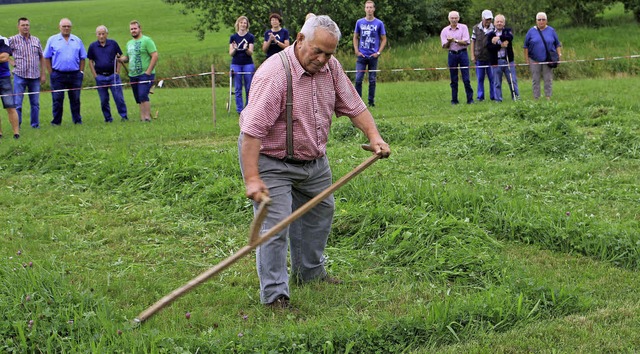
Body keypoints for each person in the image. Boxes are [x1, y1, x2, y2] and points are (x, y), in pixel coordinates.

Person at [238, 15, 390, 309]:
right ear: (299, 39)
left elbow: (354, 104)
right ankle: (275, 295)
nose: (322, 59)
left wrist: (374, 135)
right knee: (275, 225)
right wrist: (253, 179)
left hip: (313, 160)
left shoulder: (330, 68)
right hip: (271, 159)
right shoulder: (275, 75)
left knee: (321, 211)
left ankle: (309, 274)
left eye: (329, 53)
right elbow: (251, 133)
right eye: (317, 51)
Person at [44, 18, 87, 125]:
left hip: (75, 75)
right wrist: (51, 73)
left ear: (71, 28)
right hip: (58, 75)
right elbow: (46, 57)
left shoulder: (77, 40)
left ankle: (77, 120)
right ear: (59, 27)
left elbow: (82, 57)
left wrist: (81, 72)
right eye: (64, 26)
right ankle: (56, 122)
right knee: (57, 99)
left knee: (75, 99)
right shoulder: (52, 40)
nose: (66, 28)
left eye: (68, 26)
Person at [9, 17, 46, 129]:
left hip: (34, 76)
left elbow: (42, 57)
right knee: (18, 103)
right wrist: (11, 61)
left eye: (27, 25)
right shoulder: (12, 40)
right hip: (19, 75)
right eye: (23, 25)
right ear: (18, 26)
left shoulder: (36, 40)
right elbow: (3, 53)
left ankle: (35, 125)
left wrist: (43, 74)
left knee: (35, 104)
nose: (25, 27)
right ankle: (17, 126)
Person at [118, 20, 158, 122]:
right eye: (131, 29)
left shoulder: (147, 40)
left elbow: (155, 56)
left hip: (145, 74)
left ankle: (147, 118)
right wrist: (121, 59)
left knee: (143, 95)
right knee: (138, 98)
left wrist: (148, 71)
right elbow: (127, 58)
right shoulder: (129, 43)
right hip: (133, 74)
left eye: (135, 28)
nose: (133, 31)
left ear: (140, 28)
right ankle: (142, 118)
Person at [87, 25, 128, 123]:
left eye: (103, 34)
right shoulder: (92, 46)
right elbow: (90, 62)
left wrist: (117, 72)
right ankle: (108, 118)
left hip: (113, 76)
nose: (101, 36)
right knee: (104, 100)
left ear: (106, 34)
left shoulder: (113, 44)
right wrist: (95, 76)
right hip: (100, 77)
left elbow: (119, 58)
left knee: (119, 98)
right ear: (96, 35)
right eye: (99, 34)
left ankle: (124, 116)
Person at [353, 0, 387, 107]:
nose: (369, 9)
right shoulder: (359, 22)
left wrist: (378, 52)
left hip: (373, 56)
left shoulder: (379, 23)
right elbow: (355, 37)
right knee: (358, 79)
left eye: (371, 7)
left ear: (374, 9)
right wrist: (356, 50)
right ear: (364, 9)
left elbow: (384, 39)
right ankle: (359, 103)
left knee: (372, 80)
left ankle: (371, 102)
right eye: (367, 7)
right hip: (362, 56)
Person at [523, 12, 562, 100]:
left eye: (543, 19)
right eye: (539, 20)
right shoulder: (531, 31)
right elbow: (525, 46)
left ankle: (548, 96)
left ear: (546, 21)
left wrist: (559, 55)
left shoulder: (551, 31)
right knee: (535, 79)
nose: (541, 21)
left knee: (548, 78)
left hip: (548, 59)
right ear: (536, 21)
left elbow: (557, 44)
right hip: (534, 59)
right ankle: (536, 97)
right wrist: (526, 59)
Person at [440, 11, 474, 105]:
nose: (454, 20)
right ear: (449, 19)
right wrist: (449, 42)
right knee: (453, 79)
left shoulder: (464, 27)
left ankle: (470, 100)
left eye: (455, 18)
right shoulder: (445, 30)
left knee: (466, 79)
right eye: (452, 18)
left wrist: (454, 40)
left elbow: (466, 42)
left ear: (458, 18)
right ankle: (454, 100)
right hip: (452, 55)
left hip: (463, 54)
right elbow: (444, 46)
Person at [487, 14, 519, 101]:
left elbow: (510, 37)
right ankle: (498, 99)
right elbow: (489, 47)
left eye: (501, 22)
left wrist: (498, 38)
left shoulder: (507, 31)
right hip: (496, 61)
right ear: (494, 23)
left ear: (504, 23)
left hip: (508, 60)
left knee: (512, 80)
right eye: (497, 22)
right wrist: (500, 45)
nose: (499, 23)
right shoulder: (490, 34)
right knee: (497, 82)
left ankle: (516, 97)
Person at [229, 16, 255, 114]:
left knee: (249, 87)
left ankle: (248, 108)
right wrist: (235, 48)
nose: (243, 24)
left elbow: (250, 52)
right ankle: (240, 110)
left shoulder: (250, 37)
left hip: (248, 64)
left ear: (247, 25)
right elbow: (231, 53)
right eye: (241, 23)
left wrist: (246, 48)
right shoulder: (233, 37)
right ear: (238, 24)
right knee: (238, 88)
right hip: (236, 64)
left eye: (245, 23)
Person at [470, 10, 496, 101]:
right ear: (482, 18)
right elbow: (472, 42)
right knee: (480, 78)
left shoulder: (494, 28)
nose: (488, 21)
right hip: (479, 57)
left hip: (490, 57)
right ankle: (480, 97)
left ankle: (493, 96)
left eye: (490, 19)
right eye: (487, 19)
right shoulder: (476, 28)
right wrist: (472, 55)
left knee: (492, 78)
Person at [0, 35, 20, 139]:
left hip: (3, 77)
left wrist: (3, 57)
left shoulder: (2, 40)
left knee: (10, 106)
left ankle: (16, 133)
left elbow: (4, 57)